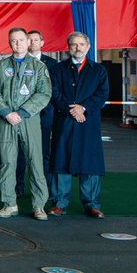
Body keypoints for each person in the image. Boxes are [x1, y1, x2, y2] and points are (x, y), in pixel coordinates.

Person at [0, 27, 51, 220]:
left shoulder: (39, 66)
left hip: (29, 119)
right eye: (14, 40)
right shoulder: (1, 66)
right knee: (7, 162)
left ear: (28, 42)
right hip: (6, 120)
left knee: (35, 161)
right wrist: (6, 112)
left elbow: (44, 93)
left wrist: (22, 112)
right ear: (10, 43)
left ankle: (39, 206)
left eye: (21, 40)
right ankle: (9, 204)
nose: (18, 43)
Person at [48, 32, 109, 218]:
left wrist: (83, 108)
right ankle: (59, 203)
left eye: (82, 44)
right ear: (69, 47)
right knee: (61, 161)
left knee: (89, 163)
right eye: (74, 44)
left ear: (88, 47)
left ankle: (92, 204)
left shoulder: (99, 70)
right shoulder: (58, 69)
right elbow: (53, 93)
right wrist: (71, 110)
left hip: (87, 123)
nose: (78, 48)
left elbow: (102, 94)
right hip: (64, 121)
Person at [16, 29, 58, 194]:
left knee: (44, 152)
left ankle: (44, 187)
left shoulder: (53, 64)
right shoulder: (18, 61)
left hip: (44, 114)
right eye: (30, 39)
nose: (33, 42)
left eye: (36, 39)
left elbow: (54, 89)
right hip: (21, 114)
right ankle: (18, 186)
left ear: (42, 43)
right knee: (20, 153)